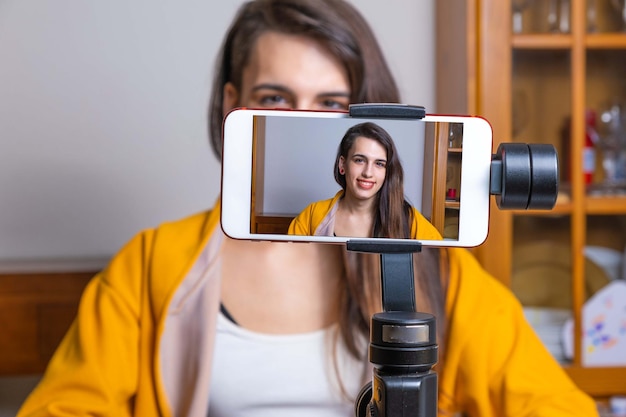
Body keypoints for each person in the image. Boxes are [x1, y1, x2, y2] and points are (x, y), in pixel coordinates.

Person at [18, 0, 599, 416]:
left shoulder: (428, 261)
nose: (303, 123)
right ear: (232, 105)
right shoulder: (151, 266)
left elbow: (551, 403)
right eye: (276, 99)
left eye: (331, 103)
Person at [288, 121, 441, 240]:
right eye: (359, 160)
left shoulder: (409, 219)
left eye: (379, 164)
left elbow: (445, 263)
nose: (368, 173)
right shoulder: (311, 216)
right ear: (343, 164)